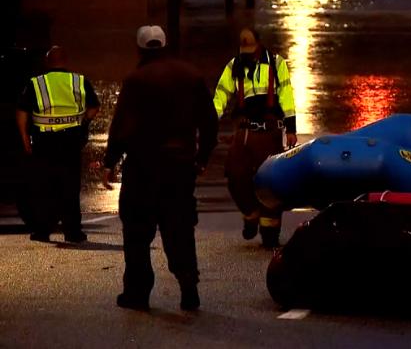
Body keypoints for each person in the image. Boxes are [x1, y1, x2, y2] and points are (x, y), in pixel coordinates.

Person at [100, 25, 218, 311]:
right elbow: (209, 122)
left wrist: (109, 162)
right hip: (179, 167)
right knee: (179, 228)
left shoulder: (135, 81)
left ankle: (137, 293)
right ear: (165, 45)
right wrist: (201, 158)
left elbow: (121, 128)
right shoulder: (191, 76)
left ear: (140, 49)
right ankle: (188, 284)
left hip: (143, 167)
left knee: (137, 232)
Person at [212, 28, 297, 248]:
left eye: (251, 49)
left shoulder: (277, 64)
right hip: (245, 131)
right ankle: (250, 214)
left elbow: (287, 95)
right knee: (235, 174)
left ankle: (270, 231)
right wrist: (210, 121)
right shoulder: (234, 66)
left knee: (271, 182)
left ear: (259, 44)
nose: (248, 54)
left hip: (270, 132)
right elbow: (221, 95)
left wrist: (291, 128)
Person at [16, 46, 100, 243]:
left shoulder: (36, 83)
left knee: (44, 186)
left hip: (44, 142)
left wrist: (24, 138)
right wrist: (82, 121)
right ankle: (73, 232)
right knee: (70, 186)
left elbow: (22, 112)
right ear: (65, 61)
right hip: (70, 141)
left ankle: (43, 231)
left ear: (47, 62)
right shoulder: (78, 81)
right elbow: (95, 107)